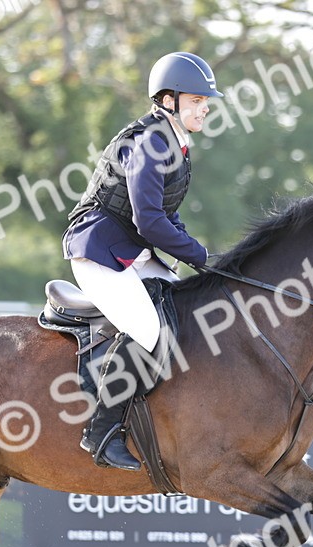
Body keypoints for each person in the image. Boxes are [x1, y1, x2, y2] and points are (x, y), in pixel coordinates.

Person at [62, 51, 224, 471]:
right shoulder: (151, 142)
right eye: (195, 100)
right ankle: (100, 434)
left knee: (185, 309)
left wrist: (207, 260)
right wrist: (201, 256)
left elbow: (167, 215)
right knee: (148, 328)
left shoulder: (174, 143)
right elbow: (149, 220)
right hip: (98, 249)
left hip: (132, 250)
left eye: (206, 101)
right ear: (168, 100)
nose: (204, 107)